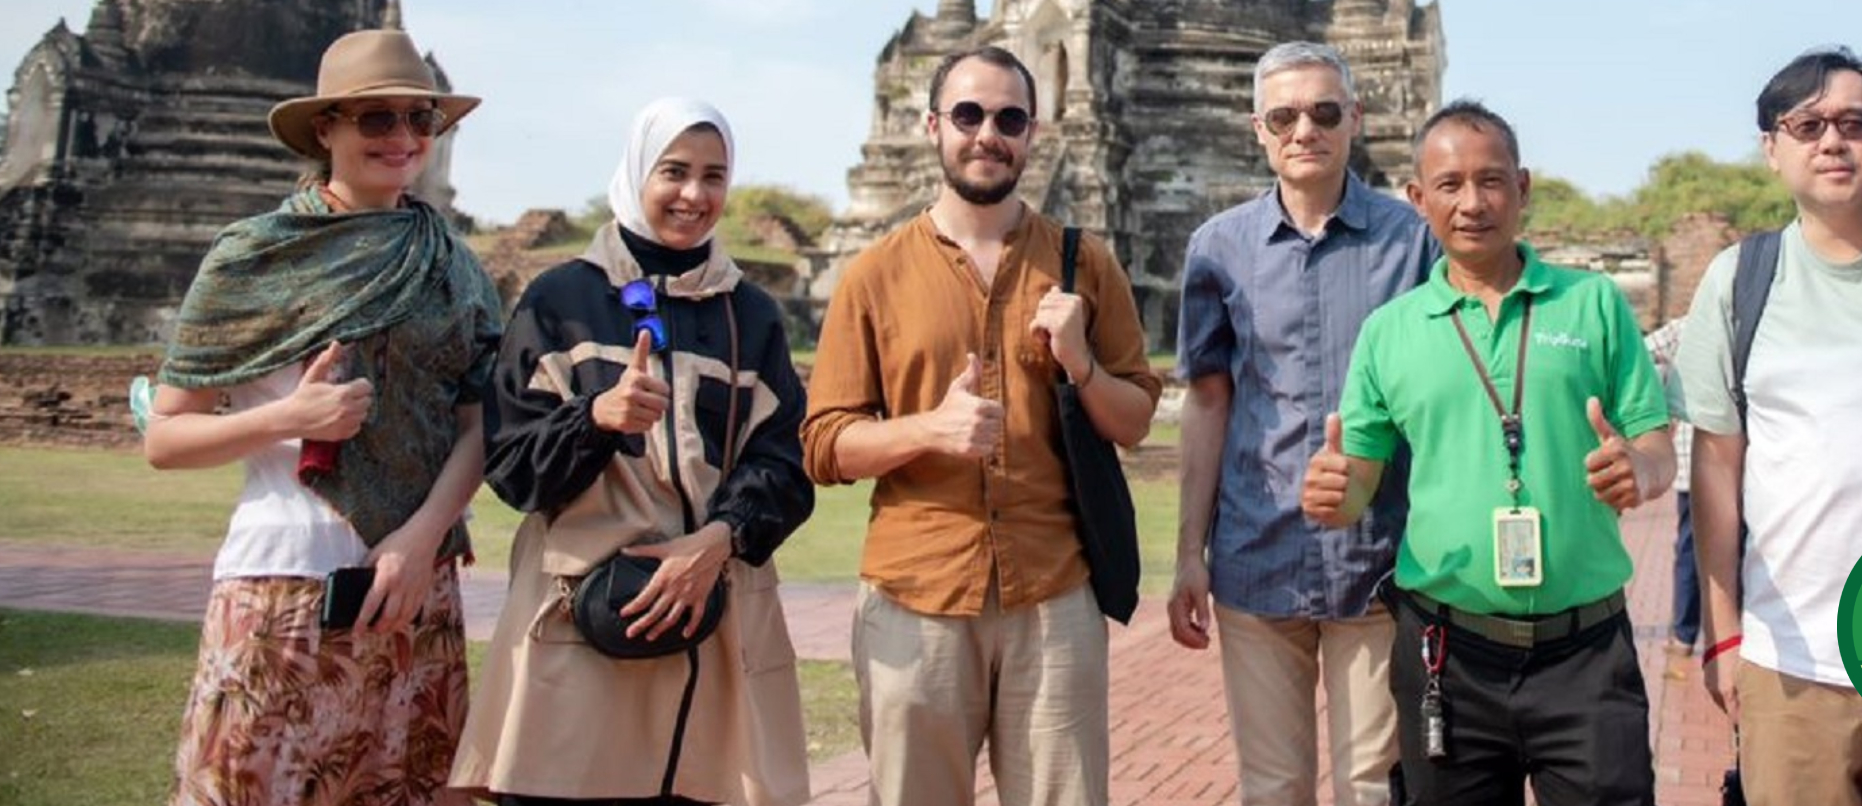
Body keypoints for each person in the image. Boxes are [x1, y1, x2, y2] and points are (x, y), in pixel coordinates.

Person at [145, 28, 503, 806]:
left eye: (421, 119)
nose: (404, 138)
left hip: (415, 582)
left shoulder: (453, 263)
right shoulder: (252, 256)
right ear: (326, 128)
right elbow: (166, 438)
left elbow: (479, 421)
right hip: (280, 576)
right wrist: (288, 418)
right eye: (377, 119)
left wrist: (418, 538)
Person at [801, 46, 1162, 805]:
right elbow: (824, 443)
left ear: (1034, 132)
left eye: (1009, 118)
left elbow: (1134, 419)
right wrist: (928, 430)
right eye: (967, 114)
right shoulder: (875, 274)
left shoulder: (1084, 265)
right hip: (917, 591)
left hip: (1053, 591)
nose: (987, 134)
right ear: (933, 126)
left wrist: (1082, 365)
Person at [1303, 100, 1673, 806]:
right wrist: (1335, 490)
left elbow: (1654, 441)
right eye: (1449, 185)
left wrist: (1641, 469)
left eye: (1492, 180)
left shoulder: (1591, 304)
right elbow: (1359, 480)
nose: (1472, 202)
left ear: (1523, 188)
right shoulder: (1391, 332)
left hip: (1587, 651)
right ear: (1418, 200)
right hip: (1448, 654)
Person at [451, 99, 815, 806]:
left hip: (715, 616)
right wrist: (596, 418)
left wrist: (716, 539)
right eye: (674, 172)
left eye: (715, 176)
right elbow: (512, 466)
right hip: (582, 617)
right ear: (636, 172)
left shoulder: (752, 315)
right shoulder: (563, 301)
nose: (694, 195)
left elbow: (785, 465)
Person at [1668, 47, 1862, 806]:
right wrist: (1724, 634)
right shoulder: (1741, 279)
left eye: (1853, 122)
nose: (1832, 141)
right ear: (1772, 151)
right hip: (1790, 651)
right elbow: (1716, 465)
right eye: (1806, 125)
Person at [1168, 43, 1439, 806]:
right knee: (1273, 785)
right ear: (1259, 128)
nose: (1304, 131)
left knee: (1375, 785)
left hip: (1380, 554)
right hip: (1259, 550)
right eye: (1283, 116)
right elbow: (1208, 401)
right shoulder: (1218, 248)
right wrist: (1190, 553)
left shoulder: (1413, 240)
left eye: (1324, 112)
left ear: (1355, 119)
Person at [1644, 319, 1702, 680]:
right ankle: (1685, 632)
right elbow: (1641, 353)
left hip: (1726, 460)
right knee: (1693, 552)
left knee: (1693, 552)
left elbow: (1643, 352)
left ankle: (1687, 633)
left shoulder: (1688, 326)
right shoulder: (1686, 328)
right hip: (1698, 460)